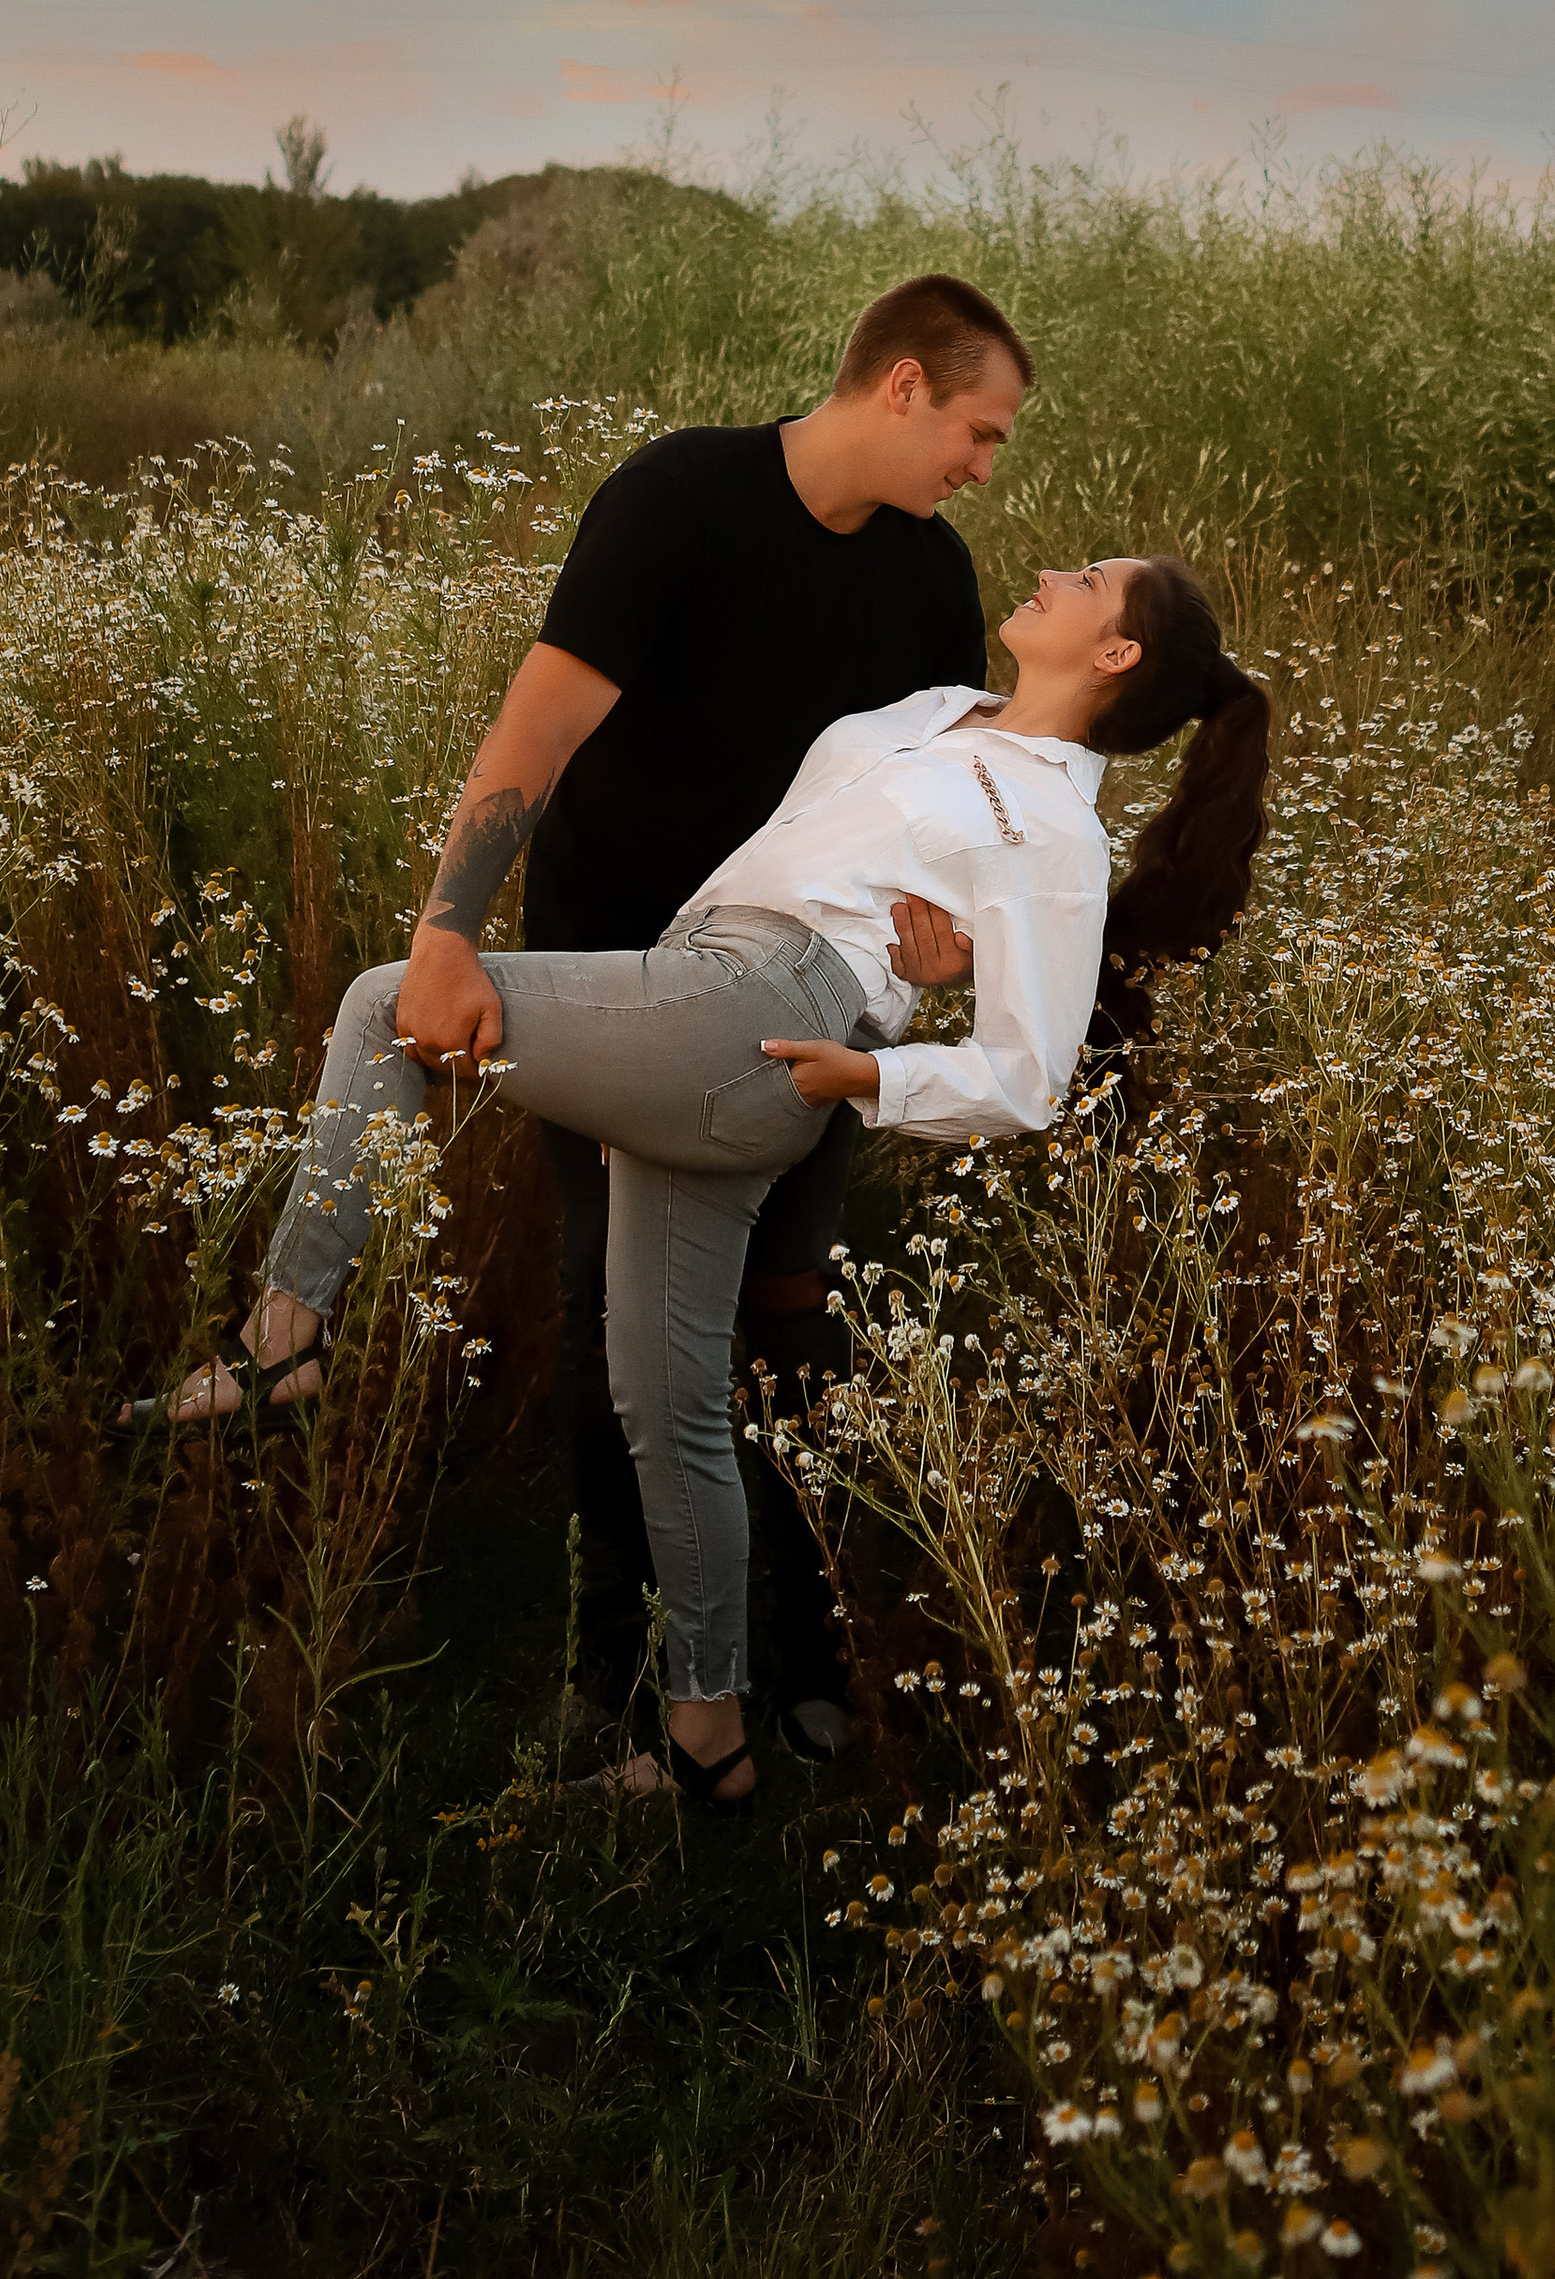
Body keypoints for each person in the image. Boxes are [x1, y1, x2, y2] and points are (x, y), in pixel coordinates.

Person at [146, 554, 1272, 1813]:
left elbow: (1029, 1076)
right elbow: (833, 849)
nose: (1058, 572)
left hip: (765, 1021)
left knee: (392, 1003)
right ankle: (706, 1741)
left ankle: (284, 1332)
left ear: (1116, 654)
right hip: (705, 990)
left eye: (1092, 579)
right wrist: (921, 957)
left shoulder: (1053, 830)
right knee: (666, 1404)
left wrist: (869, 1073)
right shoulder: (933, 713)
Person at [214, 274, 1030, 1751]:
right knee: (618, 1342)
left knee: (790, 1327)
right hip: (614, 971)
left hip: (802, 1000)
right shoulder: (679, 497)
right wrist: (448, 933)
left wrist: (948, 950)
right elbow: (541, 721)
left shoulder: (932, 581)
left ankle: (797, 1660)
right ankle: (616, 1680)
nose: (984, 466)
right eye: (979, 430)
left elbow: (942, 818)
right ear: (902, 385)